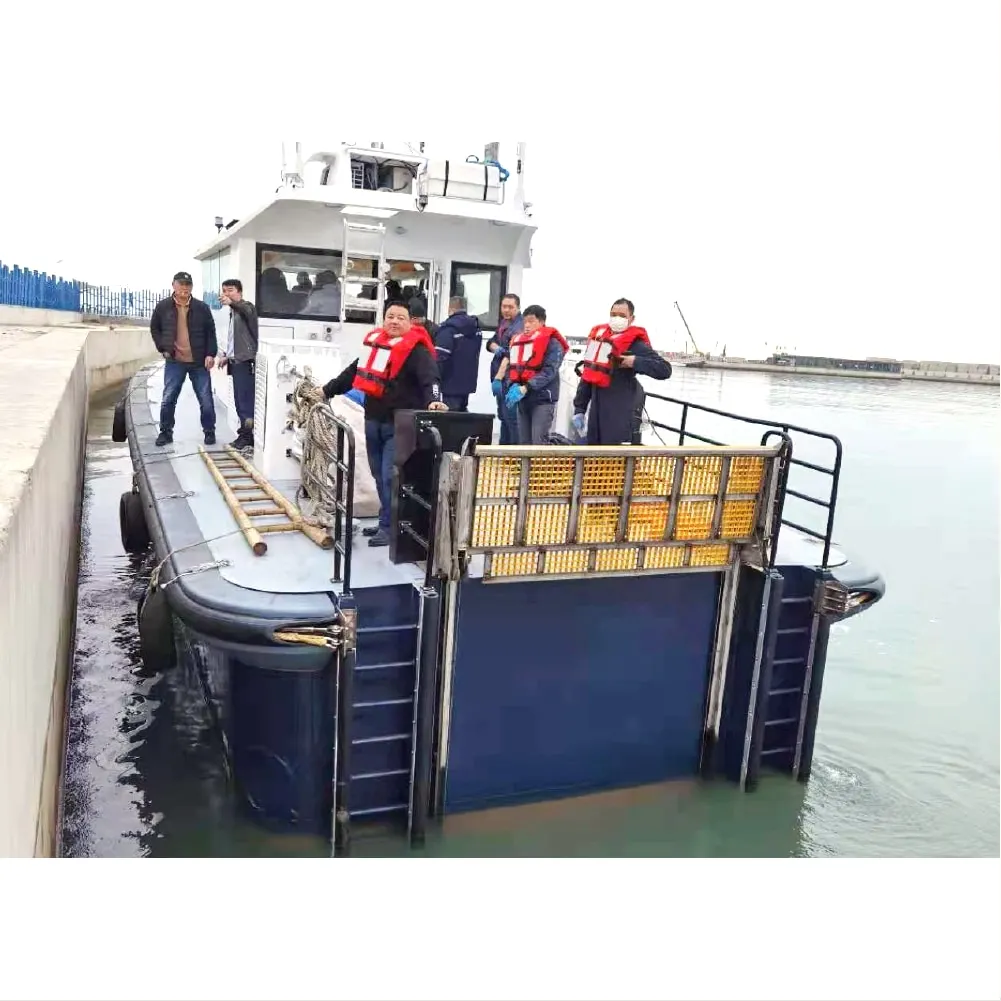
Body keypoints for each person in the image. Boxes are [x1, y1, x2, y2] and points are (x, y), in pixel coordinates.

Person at [321, 300, 447, 547]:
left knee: (391, 476)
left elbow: (431, 378)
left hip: (399, 424)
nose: (395, 321)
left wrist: (435, 400)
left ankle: (391, 528)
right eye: (391, 316)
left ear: (410, 323)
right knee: (378, 474)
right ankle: (385, 521)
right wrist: (326, 390)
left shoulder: (416, 351)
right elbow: (352, 373)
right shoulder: (375, 346)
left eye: (401, 318)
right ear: (384, 319)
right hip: (373, 420)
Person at [571, 298, 672, 445]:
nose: (617, 318)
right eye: (613, 314)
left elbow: (665, 369)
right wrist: (580, 409)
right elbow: (588, 375)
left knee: (616, 455)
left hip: (621, 413)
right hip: (596, 412)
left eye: (622, 316)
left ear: (631, 319)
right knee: (593, 452)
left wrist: (635, 361)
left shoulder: (636, 345)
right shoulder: (599, 340)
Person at [150, 271, 218, 447]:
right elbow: (155, 328)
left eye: (188, 285)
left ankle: (209, 432)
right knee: (168, 398)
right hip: (175, 362)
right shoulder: (163, 307)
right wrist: (163, 348)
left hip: (199, 362)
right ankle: (166, 433)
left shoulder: (202, 308)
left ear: (192, 287)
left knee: (206, 399)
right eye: (181, 284)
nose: (184, 288)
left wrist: (210, 354)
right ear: (173, 285)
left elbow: (211, 333)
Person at [504, 304, 568, 444]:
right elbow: (511, 366)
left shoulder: (553, 343)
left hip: (542, 399)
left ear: (542, 322)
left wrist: (527, 387)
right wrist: (512, 384)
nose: (527, 325)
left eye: (531, 321)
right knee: (524, 443)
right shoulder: (520, 342)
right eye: (525, 321)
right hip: (523, 399)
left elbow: (550, 370)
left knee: (538, 441)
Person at [216, 278, 259, 450]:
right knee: (239, 401)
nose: (226, 294)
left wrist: (232, 303)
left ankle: (247, 436)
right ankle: (245, 435)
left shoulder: (247, 307)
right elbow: (235, 338)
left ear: (239, 291)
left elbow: (246, 311)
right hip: (235, 361)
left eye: (230, 290)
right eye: (224, 290)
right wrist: (227, 356)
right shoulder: (232, 312)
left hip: (245, 361)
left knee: (245, 402)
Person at [433, 295, 482, 412]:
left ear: (450, 308)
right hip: (468, 384)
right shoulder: (476, 329)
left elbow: (440, 358)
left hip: (449, 385)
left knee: (450, 418)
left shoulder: (448, 329)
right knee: (462, 416)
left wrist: (434, 380)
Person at [486, 292, 523, 444]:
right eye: (504, 306)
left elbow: (511, 354)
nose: (506, 310)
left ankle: (513, 453)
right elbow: (490, 342)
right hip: (501, 380)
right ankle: (503, 450)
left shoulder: (519, 327)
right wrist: (496, 347)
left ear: (518, 308)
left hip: (509, 380)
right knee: (503, 417)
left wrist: (498, 378)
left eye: (510, 307)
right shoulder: (504, 324)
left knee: (512, 419)